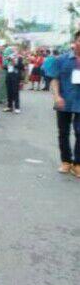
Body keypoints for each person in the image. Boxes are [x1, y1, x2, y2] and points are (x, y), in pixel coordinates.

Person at [47, 31, 80, 176]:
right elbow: (54, 79)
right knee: (63, 132)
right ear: (75, 42)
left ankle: (77, 163)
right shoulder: (61, 59)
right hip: (64, 100)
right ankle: (66, 162)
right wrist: (57, 96)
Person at [3, 46, 23, 113]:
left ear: (17, 50)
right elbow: (5, 67)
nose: (14, 51)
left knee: (15, 92)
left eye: (15, 49)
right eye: (12, 50)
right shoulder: (8, 57)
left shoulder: (19, 58)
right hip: (9, 75)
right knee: (9, 91)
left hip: (16, 76)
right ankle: (9, 106)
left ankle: (17, 107)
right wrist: (5, 64)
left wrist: (14, 63)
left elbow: (21, 67)